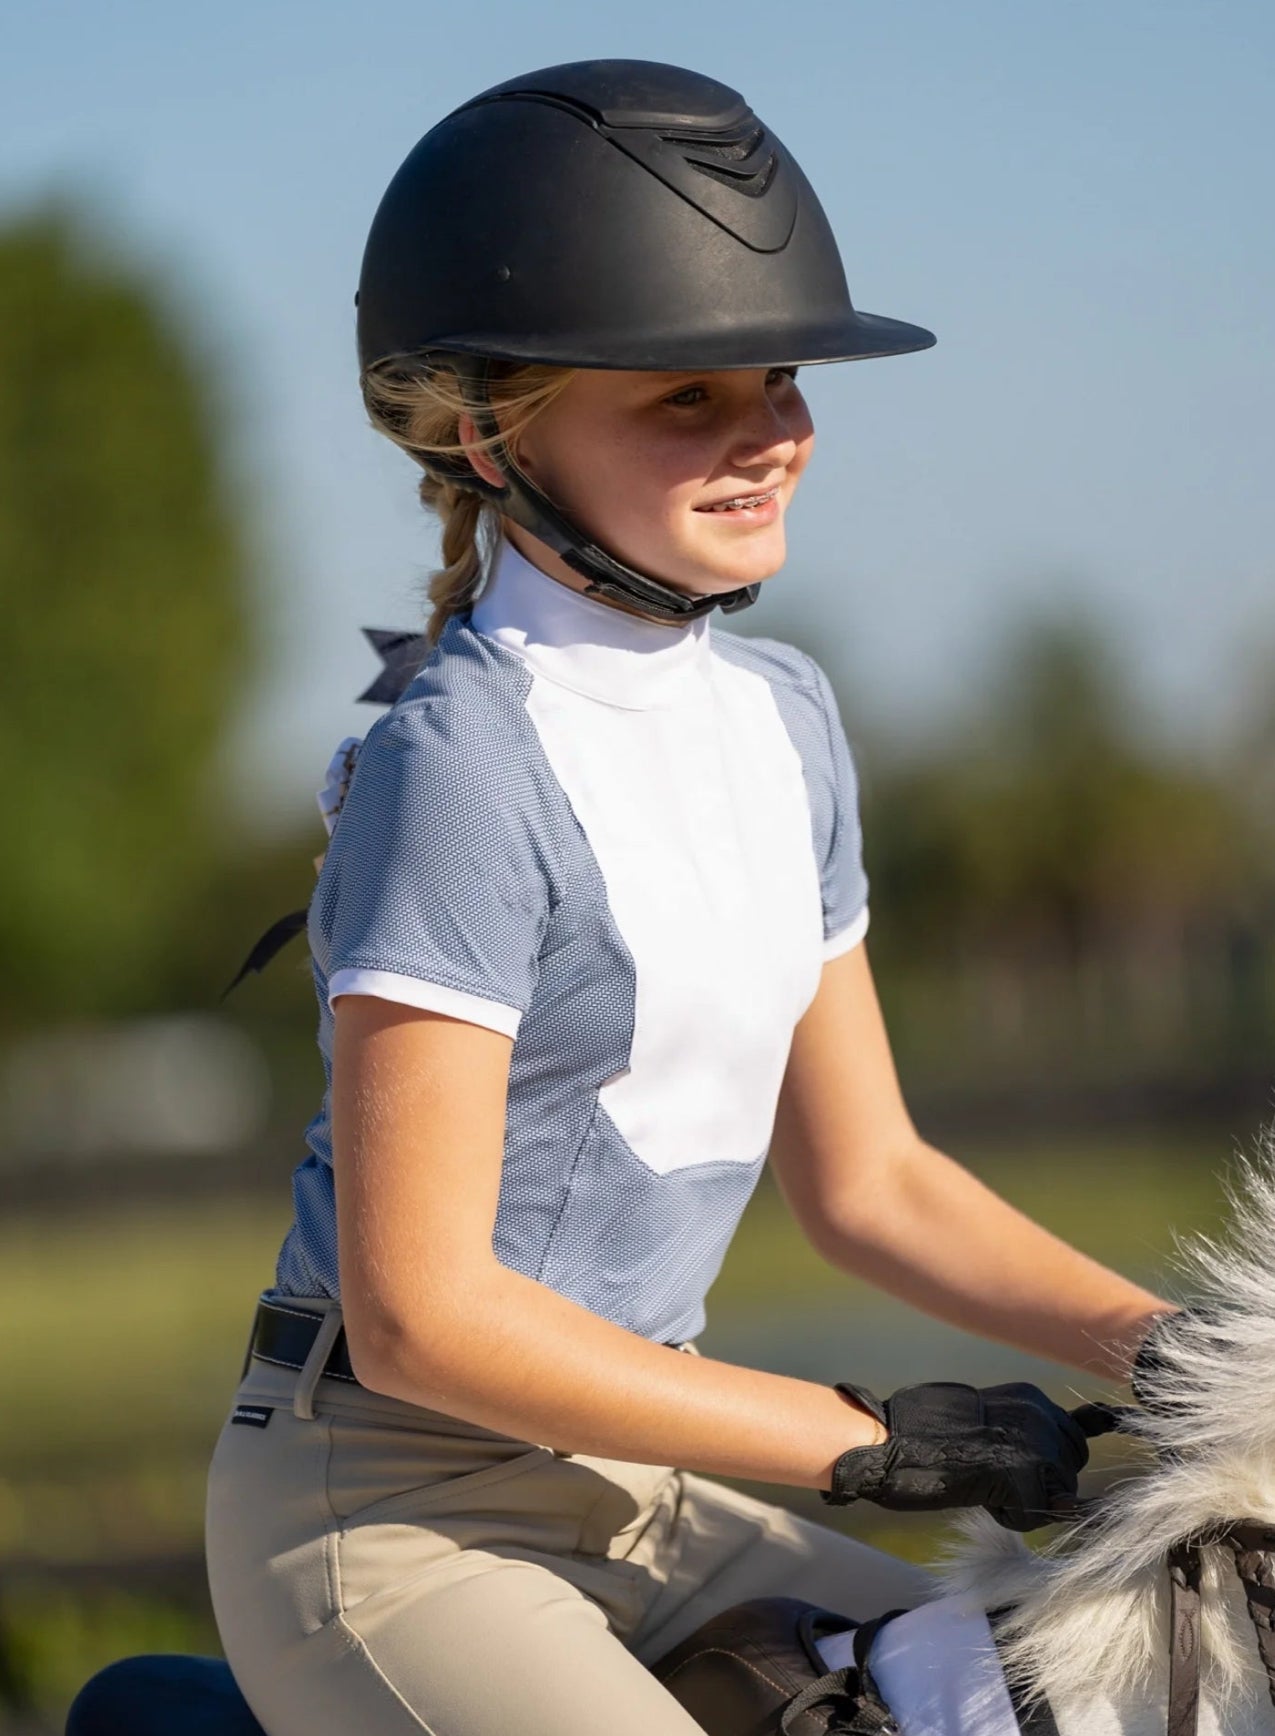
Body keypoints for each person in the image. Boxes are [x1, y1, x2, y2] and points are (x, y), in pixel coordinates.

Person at [204, 58, 1172, 1736]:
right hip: (400, 1524)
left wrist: (1175, 1350)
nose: (774, 435)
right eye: (685, 399)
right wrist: (868, 1433)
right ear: (496, 425)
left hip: (649, 1492)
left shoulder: (785, 719)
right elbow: (425, 1317)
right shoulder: (458, 766)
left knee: (1081, 1700)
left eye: (781, 377)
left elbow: (869, 1182)